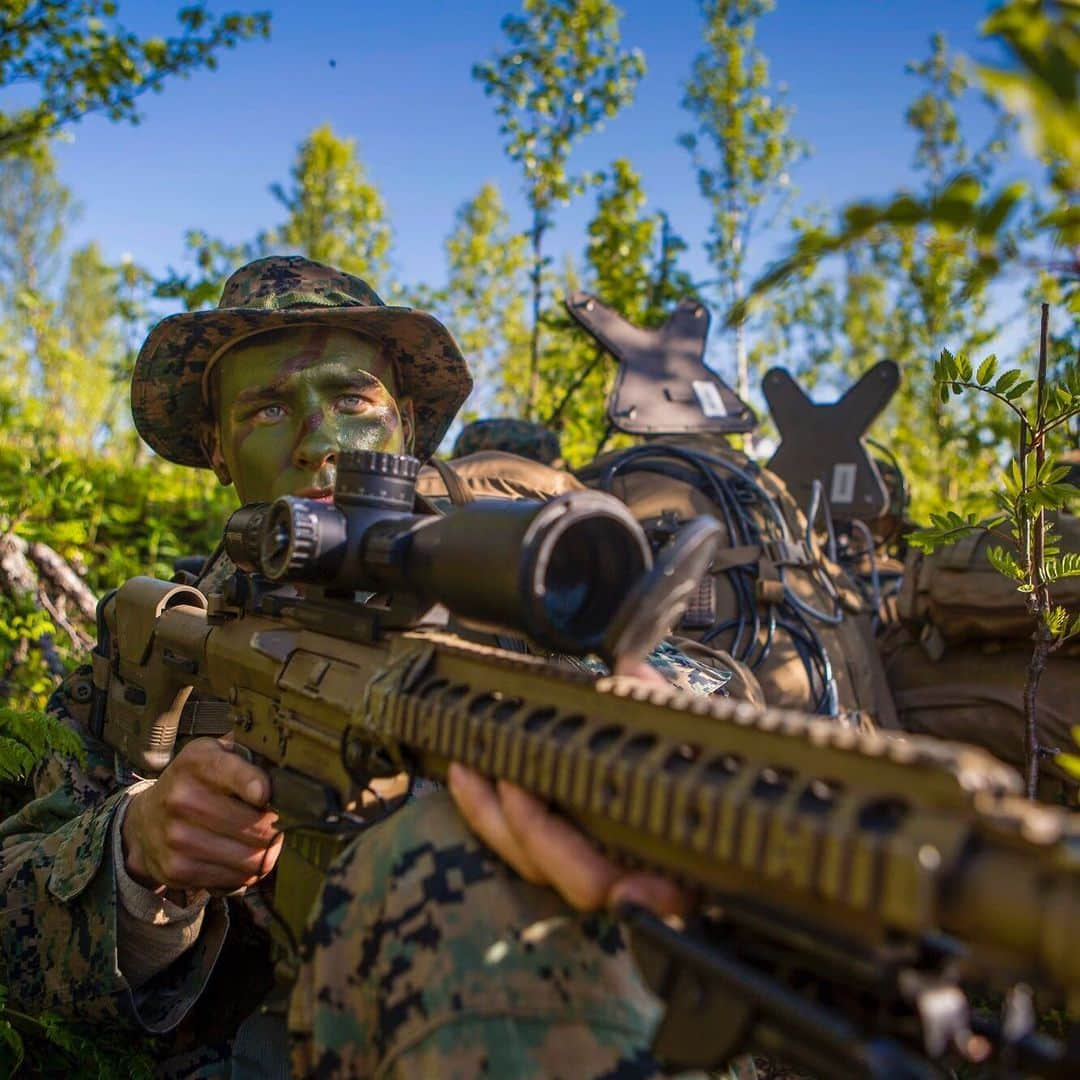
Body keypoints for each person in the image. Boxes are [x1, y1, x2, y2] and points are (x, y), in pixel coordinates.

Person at [0, 256, 744, 1078]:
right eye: (269, 408)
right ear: (215, 448)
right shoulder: (172, 631)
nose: (322, 443)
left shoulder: (511, 580)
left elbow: (711, 711)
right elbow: (14, 912)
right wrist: (138, 853)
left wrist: (640, 743)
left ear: (409, 423)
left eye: (353, 401)